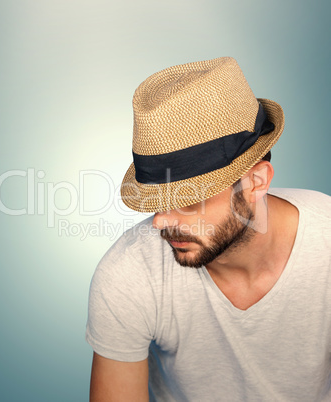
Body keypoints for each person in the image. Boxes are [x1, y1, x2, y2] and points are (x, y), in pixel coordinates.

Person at [86, 57, 331, 401]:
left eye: (188, 198)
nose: (160, 221)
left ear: (255, 182)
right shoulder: (129, 274)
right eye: (158, 199)